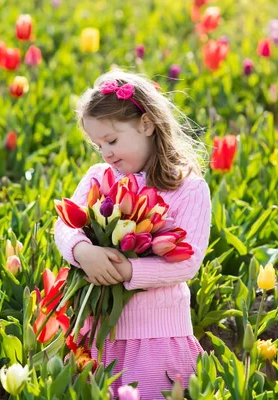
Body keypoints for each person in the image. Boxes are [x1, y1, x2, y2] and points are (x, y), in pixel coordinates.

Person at [54, 70, 212, 399]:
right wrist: (84, 252)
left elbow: (188, 262)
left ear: (146, 124)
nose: (106, 153)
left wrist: (127, 271)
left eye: (111, 141)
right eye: (98, 145)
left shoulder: (188, 189)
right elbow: (65, 226)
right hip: (97, 335)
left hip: (157, 336)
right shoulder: (99, 177)